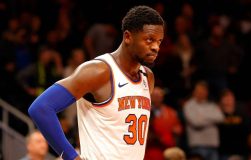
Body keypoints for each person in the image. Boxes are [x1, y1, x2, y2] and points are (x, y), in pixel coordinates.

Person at [28, 5, 165, 160]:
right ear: (128, 37)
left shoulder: (148, 77)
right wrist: (72, 157)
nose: (156, 47)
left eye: (159, 41)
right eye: (149, 40)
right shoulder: (99, 71)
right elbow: (41, 108)